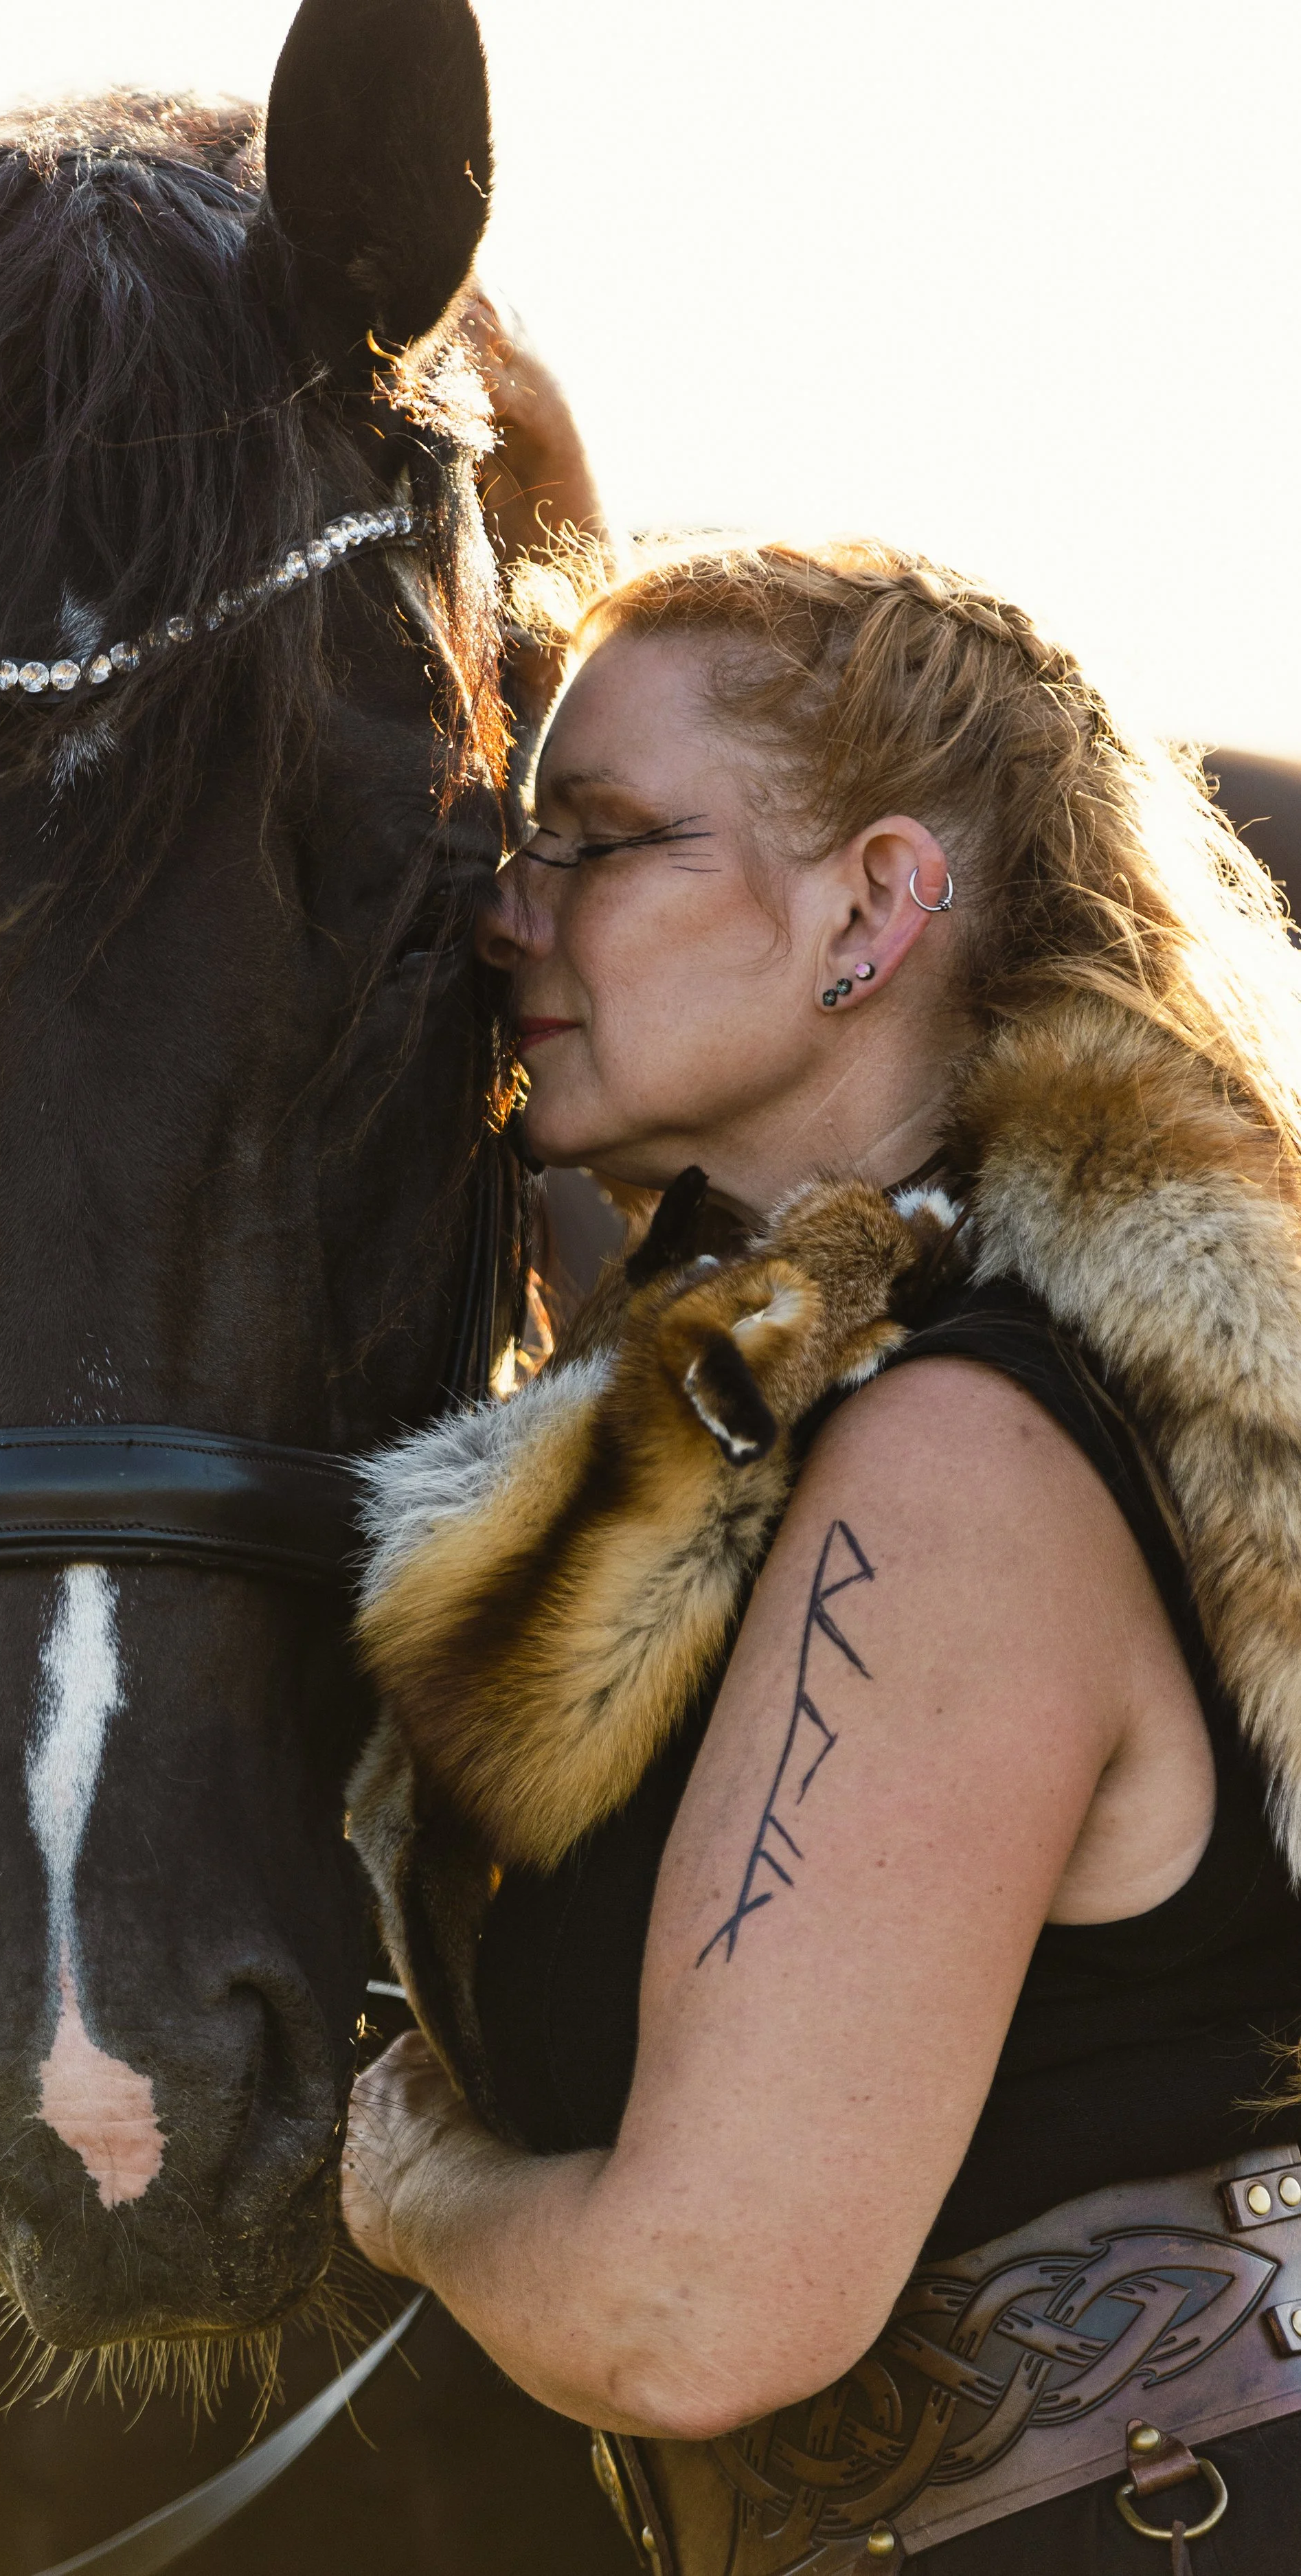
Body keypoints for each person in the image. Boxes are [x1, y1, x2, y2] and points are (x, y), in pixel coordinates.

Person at [338, 535, 1301, 2574]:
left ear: (869, 904)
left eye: (597, 839)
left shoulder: (960, 1460)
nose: (508, 912)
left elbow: (693, 2306)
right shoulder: (877, 1415)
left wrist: (403, 2182)